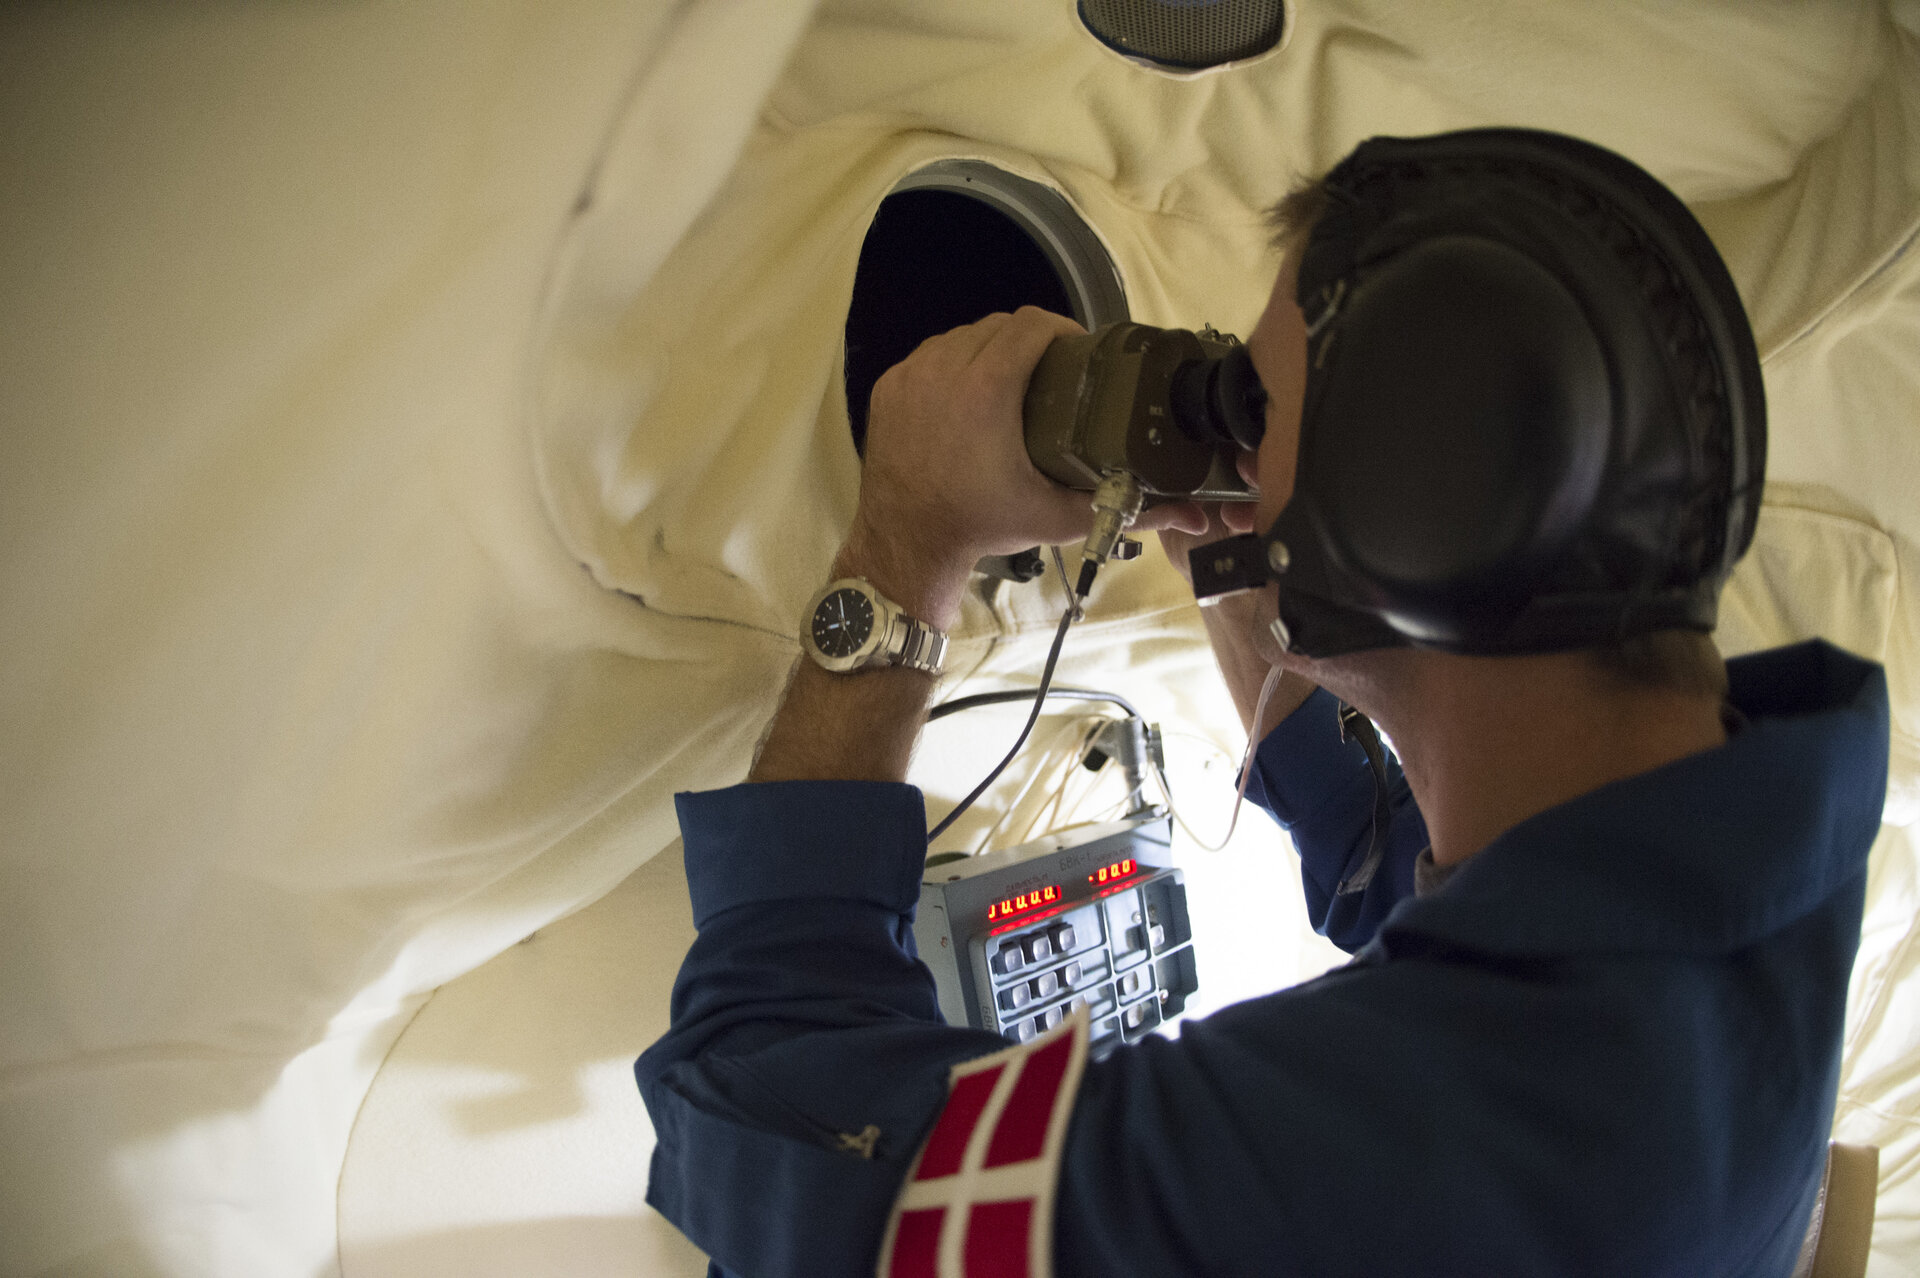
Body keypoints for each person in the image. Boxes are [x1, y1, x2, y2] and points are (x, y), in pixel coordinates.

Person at [637, 129, 1889, 1277]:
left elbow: (756, 1088)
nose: (1234, 449)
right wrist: (1251, 569)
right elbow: (1380, 863)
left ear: (1415, 514)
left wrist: (909, 539)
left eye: (1259, 411)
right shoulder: (1749, 871)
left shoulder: (1327, 1171)